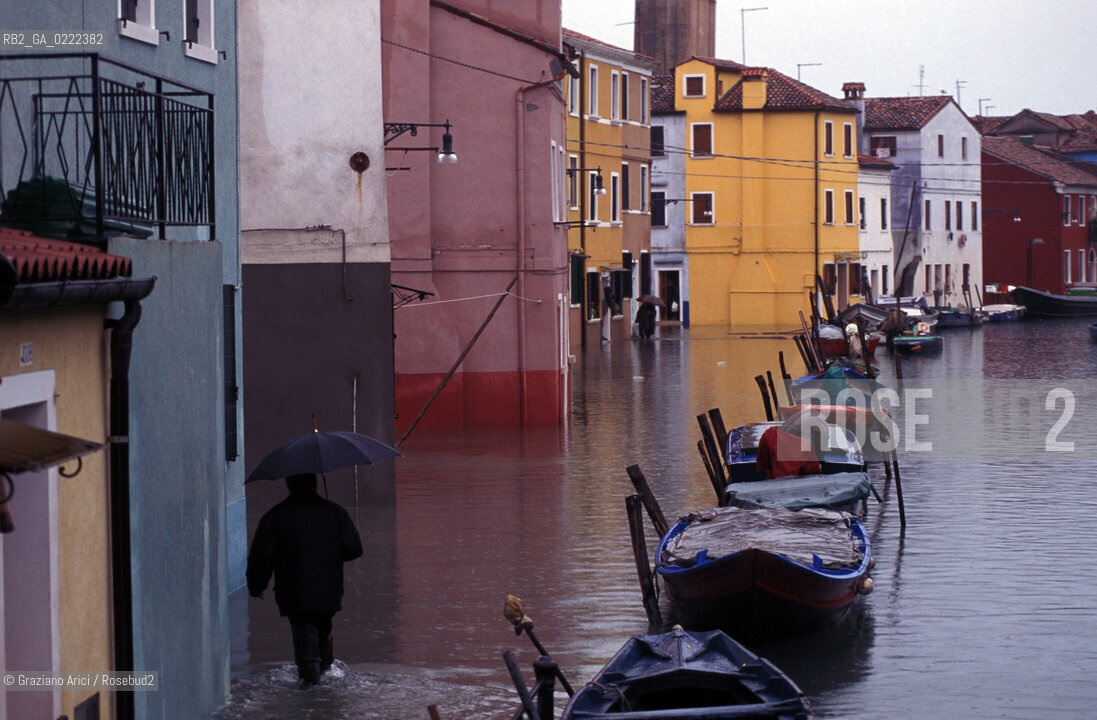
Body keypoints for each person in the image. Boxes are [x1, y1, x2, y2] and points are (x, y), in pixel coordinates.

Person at [247, 473, 363, 687]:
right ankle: (326, 683)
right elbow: (354, 549)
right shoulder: (336, 513)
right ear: (315, 484)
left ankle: (311, 696)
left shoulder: (275, 516)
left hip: (295, 592)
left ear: (289, 485)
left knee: (304, 637)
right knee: (323, 627)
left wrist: (256, 585)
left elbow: (262, 556)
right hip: (329, 589)